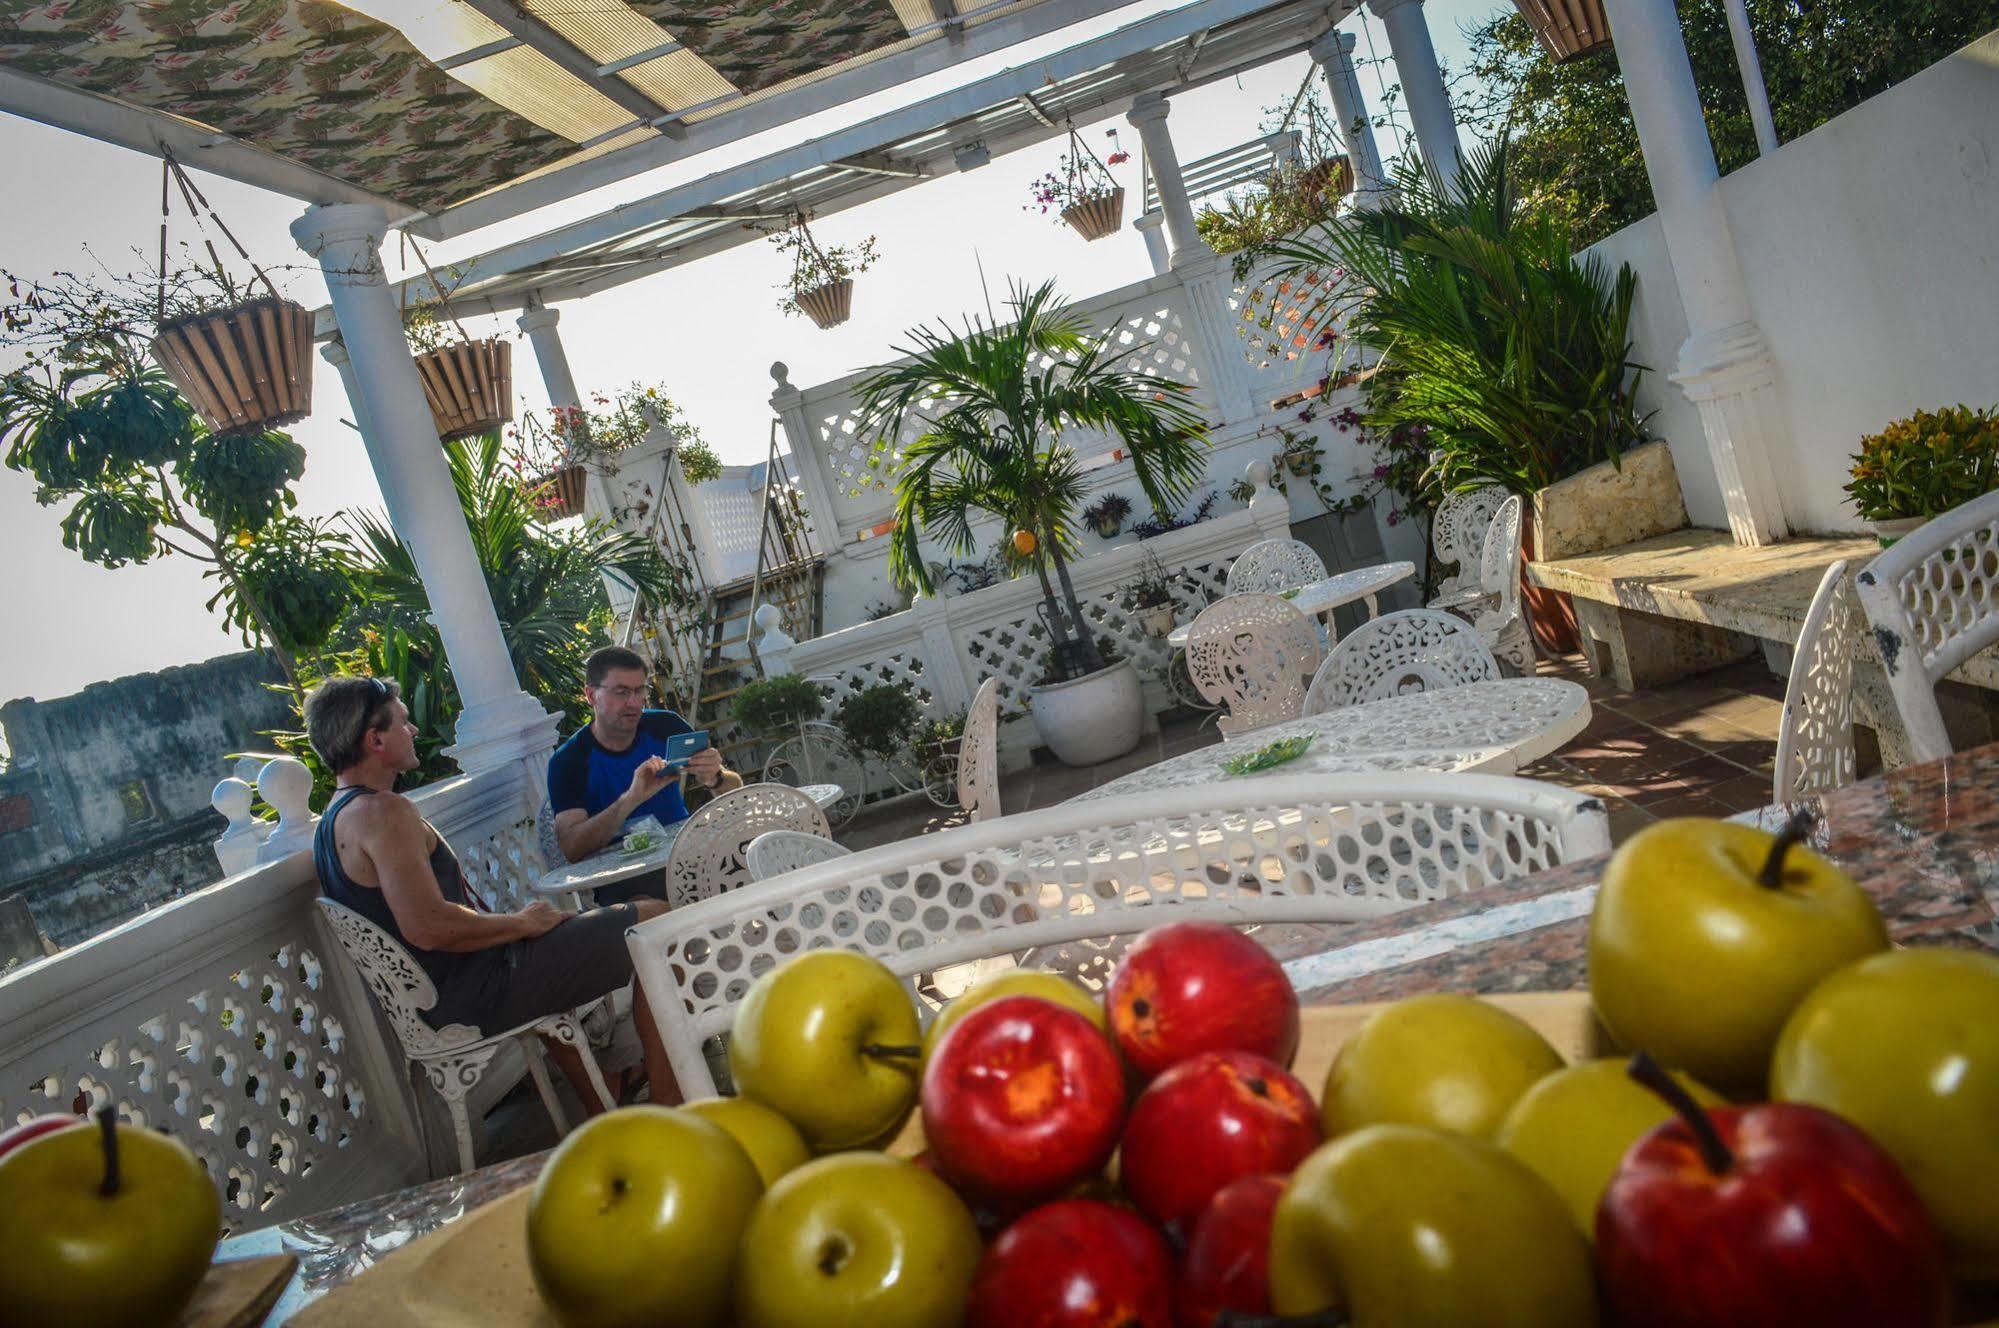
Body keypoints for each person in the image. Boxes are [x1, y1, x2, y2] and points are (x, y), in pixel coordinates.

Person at [306, 675, 680, 1110]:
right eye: (403, 723)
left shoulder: (334, 818)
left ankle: (606, 1096)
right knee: (656, 919)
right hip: (478, 991)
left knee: (557, 931)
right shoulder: (382, 812)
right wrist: (521, 923)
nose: (412, 732)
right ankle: (670, 1094)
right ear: (374, 740)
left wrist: (520, 927)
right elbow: (428, 927)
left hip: (443, 996)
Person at [547, 646, 741, 902]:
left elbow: (736, 794)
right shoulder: (569, 760)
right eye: (621, 692)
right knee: (649, 906)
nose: (634, 702)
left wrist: (715, 777)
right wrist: (631, 799)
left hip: (687, 854)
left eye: (640, 690)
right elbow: (572, 848)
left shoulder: (665, 725)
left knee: (749, 854)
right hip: (624, 878)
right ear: (591, 695)